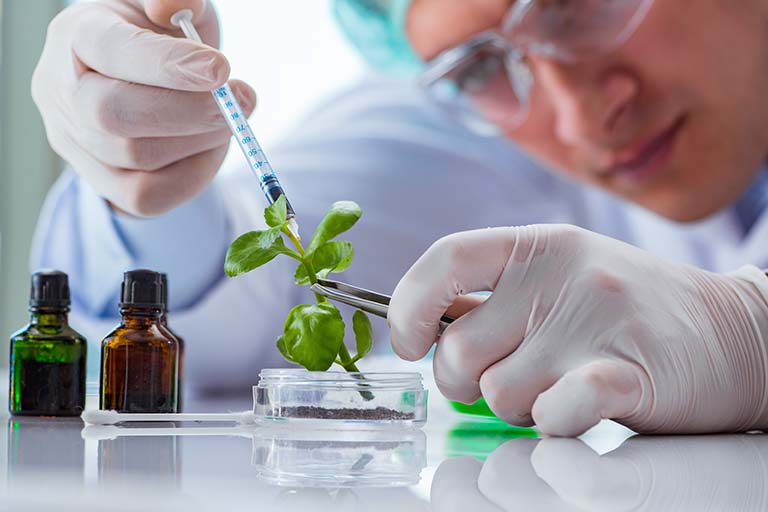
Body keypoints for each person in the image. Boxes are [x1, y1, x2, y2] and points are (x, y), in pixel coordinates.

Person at [30, 0, 768, 436]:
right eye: (477, 68)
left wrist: (754, 330)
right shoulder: (465, 119)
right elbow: (235, 319)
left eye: (573, 4)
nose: (581, 117)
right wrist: (144, 161)